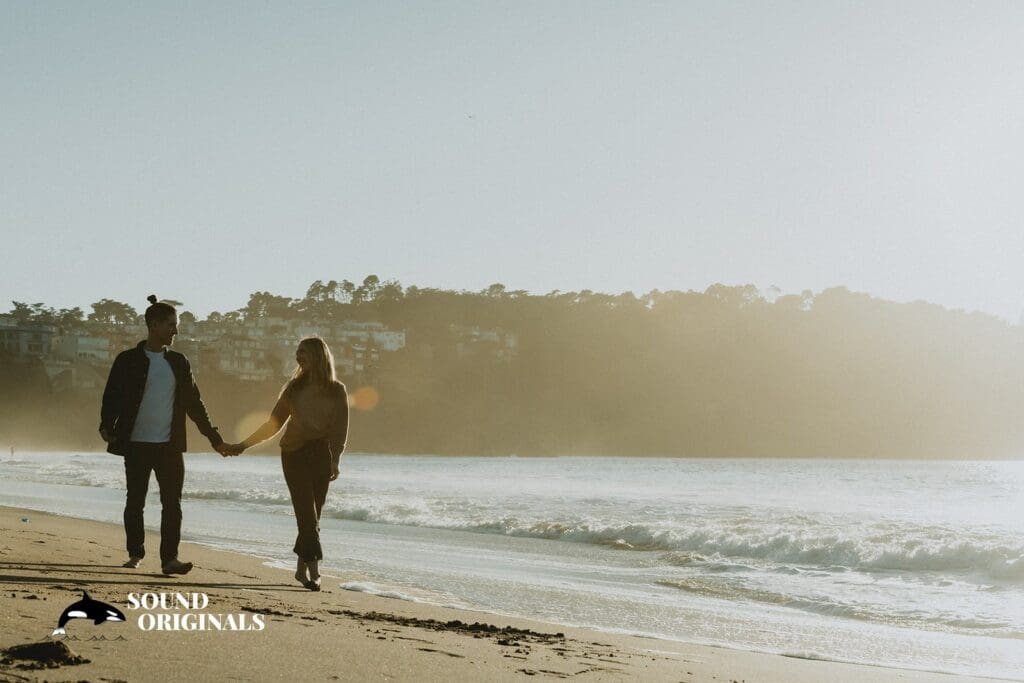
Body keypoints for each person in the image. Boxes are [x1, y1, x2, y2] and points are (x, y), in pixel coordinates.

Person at [100, 295, 230, 575]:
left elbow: (195, 404)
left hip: (169, 446)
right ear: (154, 324)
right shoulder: (127, 360)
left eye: (176, 324)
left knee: (173, 503)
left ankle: (169, 559)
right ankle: (135, 553)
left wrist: (214, 438)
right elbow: (112, 396)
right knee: (135, 500)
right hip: (135, 444)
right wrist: (106, 426)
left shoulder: (179, 363)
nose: (176, 330)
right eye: (171, 324)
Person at [223, 337, 349, 591]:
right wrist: (243, 445)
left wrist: (336, 459)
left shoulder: (336, 390)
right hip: (294, 453)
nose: (297, 357)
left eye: (303, 352)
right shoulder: (294, 388)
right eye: (297, 352)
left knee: (314, 515)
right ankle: (315, 571)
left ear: (318, 356)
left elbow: (340, 429)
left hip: (321, 455)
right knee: (306, 513)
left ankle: (301, 570)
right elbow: (273, 424)